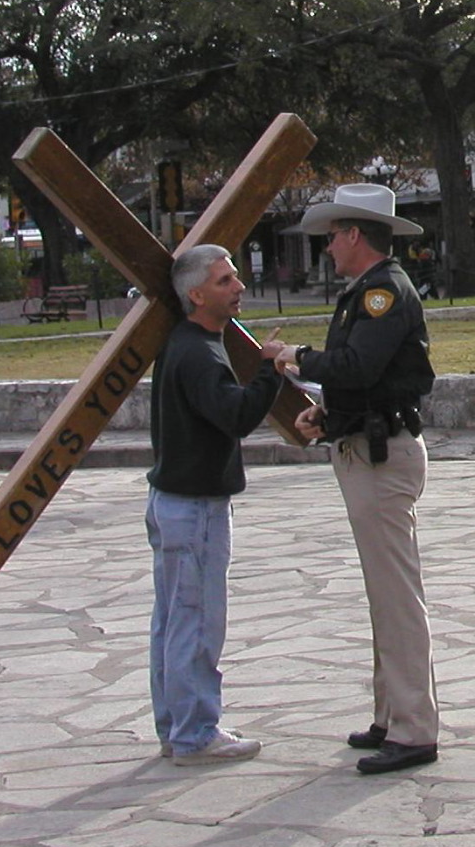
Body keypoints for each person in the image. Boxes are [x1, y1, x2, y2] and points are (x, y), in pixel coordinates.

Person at [276, 183, 438, 776]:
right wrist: (328, 413)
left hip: (382, 456)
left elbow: (356, 365)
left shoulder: (381, 293)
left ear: (353, 234)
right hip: (365, 443)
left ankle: (415, 728)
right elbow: (368, 381)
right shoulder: (365, 292)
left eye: (330, 236)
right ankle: (391, 714)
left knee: (396, 597)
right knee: (384, 594)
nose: (325, 248)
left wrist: (295, 356)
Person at [147, 244, 284, 765]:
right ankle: (194, 732)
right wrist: (270, 369)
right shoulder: (200, 354)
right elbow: (237, 416)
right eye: (226, 281)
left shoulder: (184, 343)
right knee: (197, 621)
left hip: (172, 501)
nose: (239, 286)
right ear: (197, 294)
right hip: (194, 507)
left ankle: (175, 725)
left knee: (172, 621)